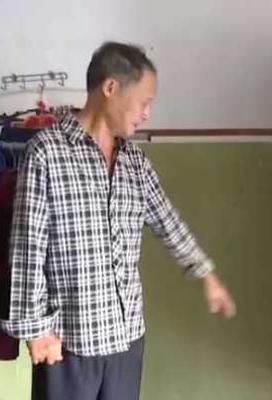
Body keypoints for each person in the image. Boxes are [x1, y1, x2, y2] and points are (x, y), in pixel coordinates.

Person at [0, 41, 236, 400]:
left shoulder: (134, 162)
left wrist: (206, 274)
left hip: (126, 339)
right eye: (144, 102)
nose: (147, 114)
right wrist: (35, 329)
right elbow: (27, 246)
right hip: (68, 344)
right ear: (110, 87)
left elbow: (168, 222)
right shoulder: (46, 153)